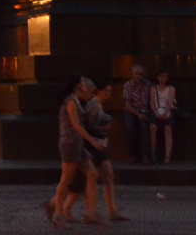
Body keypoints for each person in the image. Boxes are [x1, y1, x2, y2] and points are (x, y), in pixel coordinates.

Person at [44, 75, 103, 226]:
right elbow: (76, 125)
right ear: (77, 86)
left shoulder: (76, 100)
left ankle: (92, 214)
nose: (86, 85)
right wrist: (92, 140)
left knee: (92, 174)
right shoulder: (71, 101)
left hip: (78, 144)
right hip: (70, 144)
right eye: (83, 82)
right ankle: (58, 214)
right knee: (66, 179)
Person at [83, 83, 128, 222]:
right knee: (89, 179)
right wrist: (104, 127)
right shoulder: (94, 105)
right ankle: (89, 212)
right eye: (108, 90)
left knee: (108, 176)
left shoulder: (98, 105)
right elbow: (87, 126)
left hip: (99, 145)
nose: (110, 93)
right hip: (93, 146)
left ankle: (111, 211)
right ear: (100, 91)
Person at [121, 64, 151, 164]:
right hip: (132, 111)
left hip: (145, 110)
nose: (138, 76)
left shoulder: (148, 84)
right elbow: (128, 105)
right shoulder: (128, 86)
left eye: (140, 74)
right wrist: (139, 115)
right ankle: (132, 155)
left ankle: (145, 156)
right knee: (130, 127)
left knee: (144, 128)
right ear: (132, 74)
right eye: (136, 74)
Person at [150, 71, 177, 164]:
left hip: (167, 111)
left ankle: (167, 156)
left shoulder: (171, 89)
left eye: (164, 76)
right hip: (156, 111)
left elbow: (170, 101)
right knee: (152, 128)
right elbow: (152, 102)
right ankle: (153, 154)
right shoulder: (153, 89)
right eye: (160, 76)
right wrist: (156, 113)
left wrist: (166, 112)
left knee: (168, 129)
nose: (162, 78)